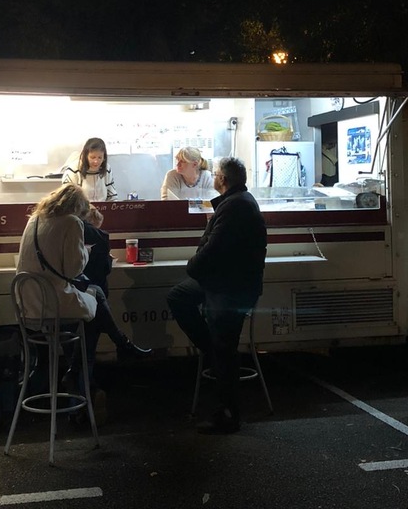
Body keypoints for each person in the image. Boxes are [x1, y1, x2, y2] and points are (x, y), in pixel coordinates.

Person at [167, 156, 267, 434]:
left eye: (215, 174)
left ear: (222, 179)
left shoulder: (235, 206)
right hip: (226, 282)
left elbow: (213, 249)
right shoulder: (238, 202)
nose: (212, 177)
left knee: (225, 348)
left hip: (230, 288)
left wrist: (192, 267)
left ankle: (228, 413)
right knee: (178, 297)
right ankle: (211, 348)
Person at [16, 184, 149, 392]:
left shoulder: (34, 220)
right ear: (78, 207)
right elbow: (73, 270)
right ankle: (115, 349)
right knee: (96, 300)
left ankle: (83, 369)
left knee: (93, 307)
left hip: (28, 304)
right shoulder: (72, 222)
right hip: (55, 304)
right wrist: (86, 251)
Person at [62, 137, 117, 201]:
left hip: (102, 207)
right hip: (80, 206)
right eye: (92, 157)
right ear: (85, 156)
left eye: (100, 157)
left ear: (104, 158)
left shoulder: (107, 169)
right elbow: (67, 199)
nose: (96, 161)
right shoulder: (73, 170)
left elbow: (112, 197)